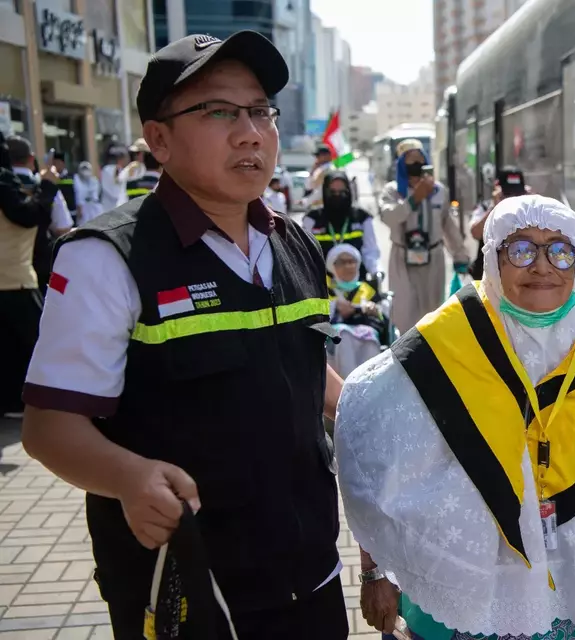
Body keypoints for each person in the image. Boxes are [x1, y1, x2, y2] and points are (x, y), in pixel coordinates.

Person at [20, 30, 349, 639]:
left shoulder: (294, 240)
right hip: (188, 590)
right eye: (219, 111)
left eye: (260, 111)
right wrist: (125, 476)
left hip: (314, 575)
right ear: (159, 139)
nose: (250, 132)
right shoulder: (106, 258)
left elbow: (308, 369)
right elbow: (48, 427)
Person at [337, 195, 575, 640]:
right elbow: (371, 446)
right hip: (470, 577)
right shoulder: (447, 339)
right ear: (492, 257)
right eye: (520, 249)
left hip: (571, 570)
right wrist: (374, 569)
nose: (542, 266)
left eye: (559, 249)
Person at [378, 139, 470, 333]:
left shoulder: (439, 191)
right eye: (410, 160)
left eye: (420, 159)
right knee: (405, 312)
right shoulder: (392, 191)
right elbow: (389, 217)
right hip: (403, 258)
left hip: (432, 257)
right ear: (402, 164)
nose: (416, 165)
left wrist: (460, 255)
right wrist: (413, 200)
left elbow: (448, 225)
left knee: (433, 312)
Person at [0, 133, 59, 418]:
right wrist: (47, 187)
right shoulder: (13, 186)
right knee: (39, 345)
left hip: (18, 277)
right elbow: (30, 217)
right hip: (17, 278)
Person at [7, 140, 73, 296]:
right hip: (40, 270)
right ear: (31, 159)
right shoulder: (45, 186)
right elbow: (63, 228)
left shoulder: (5, 189)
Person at [302, 170, 380, 284]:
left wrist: (376, 272)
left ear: (348, 192)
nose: (337, 196)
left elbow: (370, 251)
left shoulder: (362, 217)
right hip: (323, 286)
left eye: (342, 192)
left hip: (357, 285)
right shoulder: (312, 219)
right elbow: (304, 254)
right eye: (332, 192)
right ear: (325, 192)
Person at [325, 243, 387, 377]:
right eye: (342, 262)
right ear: (332, 266)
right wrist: (335, 307)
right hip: (335, 336)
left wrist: (375, 311)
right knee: (343, 335)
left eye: (352, 261)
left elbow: (384, 321)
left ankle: (371, 382)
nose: (348, 266)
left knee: (369, 335)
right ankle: (348, 384)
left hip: (365, 329)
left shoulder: (367, 289)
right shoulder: (324, 288)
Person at [469, 166, 530, 279]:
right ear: (497, 189)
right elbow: (475, 233)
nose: (512, 197)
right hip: (489, 276)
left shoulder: (530, 210)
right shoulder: (486, 207)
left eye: (516, 193)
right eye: (508, 193)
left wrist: (533, 203)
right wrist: (495, 207)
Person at [73, 161, 104, 225]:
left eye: (87, 169)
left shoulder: (94, 180)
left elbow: (97, 194)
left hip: (94, 207)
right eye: (83, 169)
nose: (85, 171)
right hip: (83, 208)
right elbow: (78, 194)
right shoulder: (77, 180)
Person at [303, 143, 333, 208]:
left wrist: (305, 201)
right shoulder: (323, 168)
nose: (316, 158)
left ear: (327, 156)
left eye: (318, 156)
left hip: (321, 205)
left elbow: (312, 187)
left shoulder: (323, 170)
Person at [100, 146, 129, 211]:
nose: (127, 160)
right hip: (111, 208)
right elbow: (115, 192)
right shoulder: (108, 170)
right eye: (125, 157)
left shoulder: (121, 170)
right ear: (120, 159)